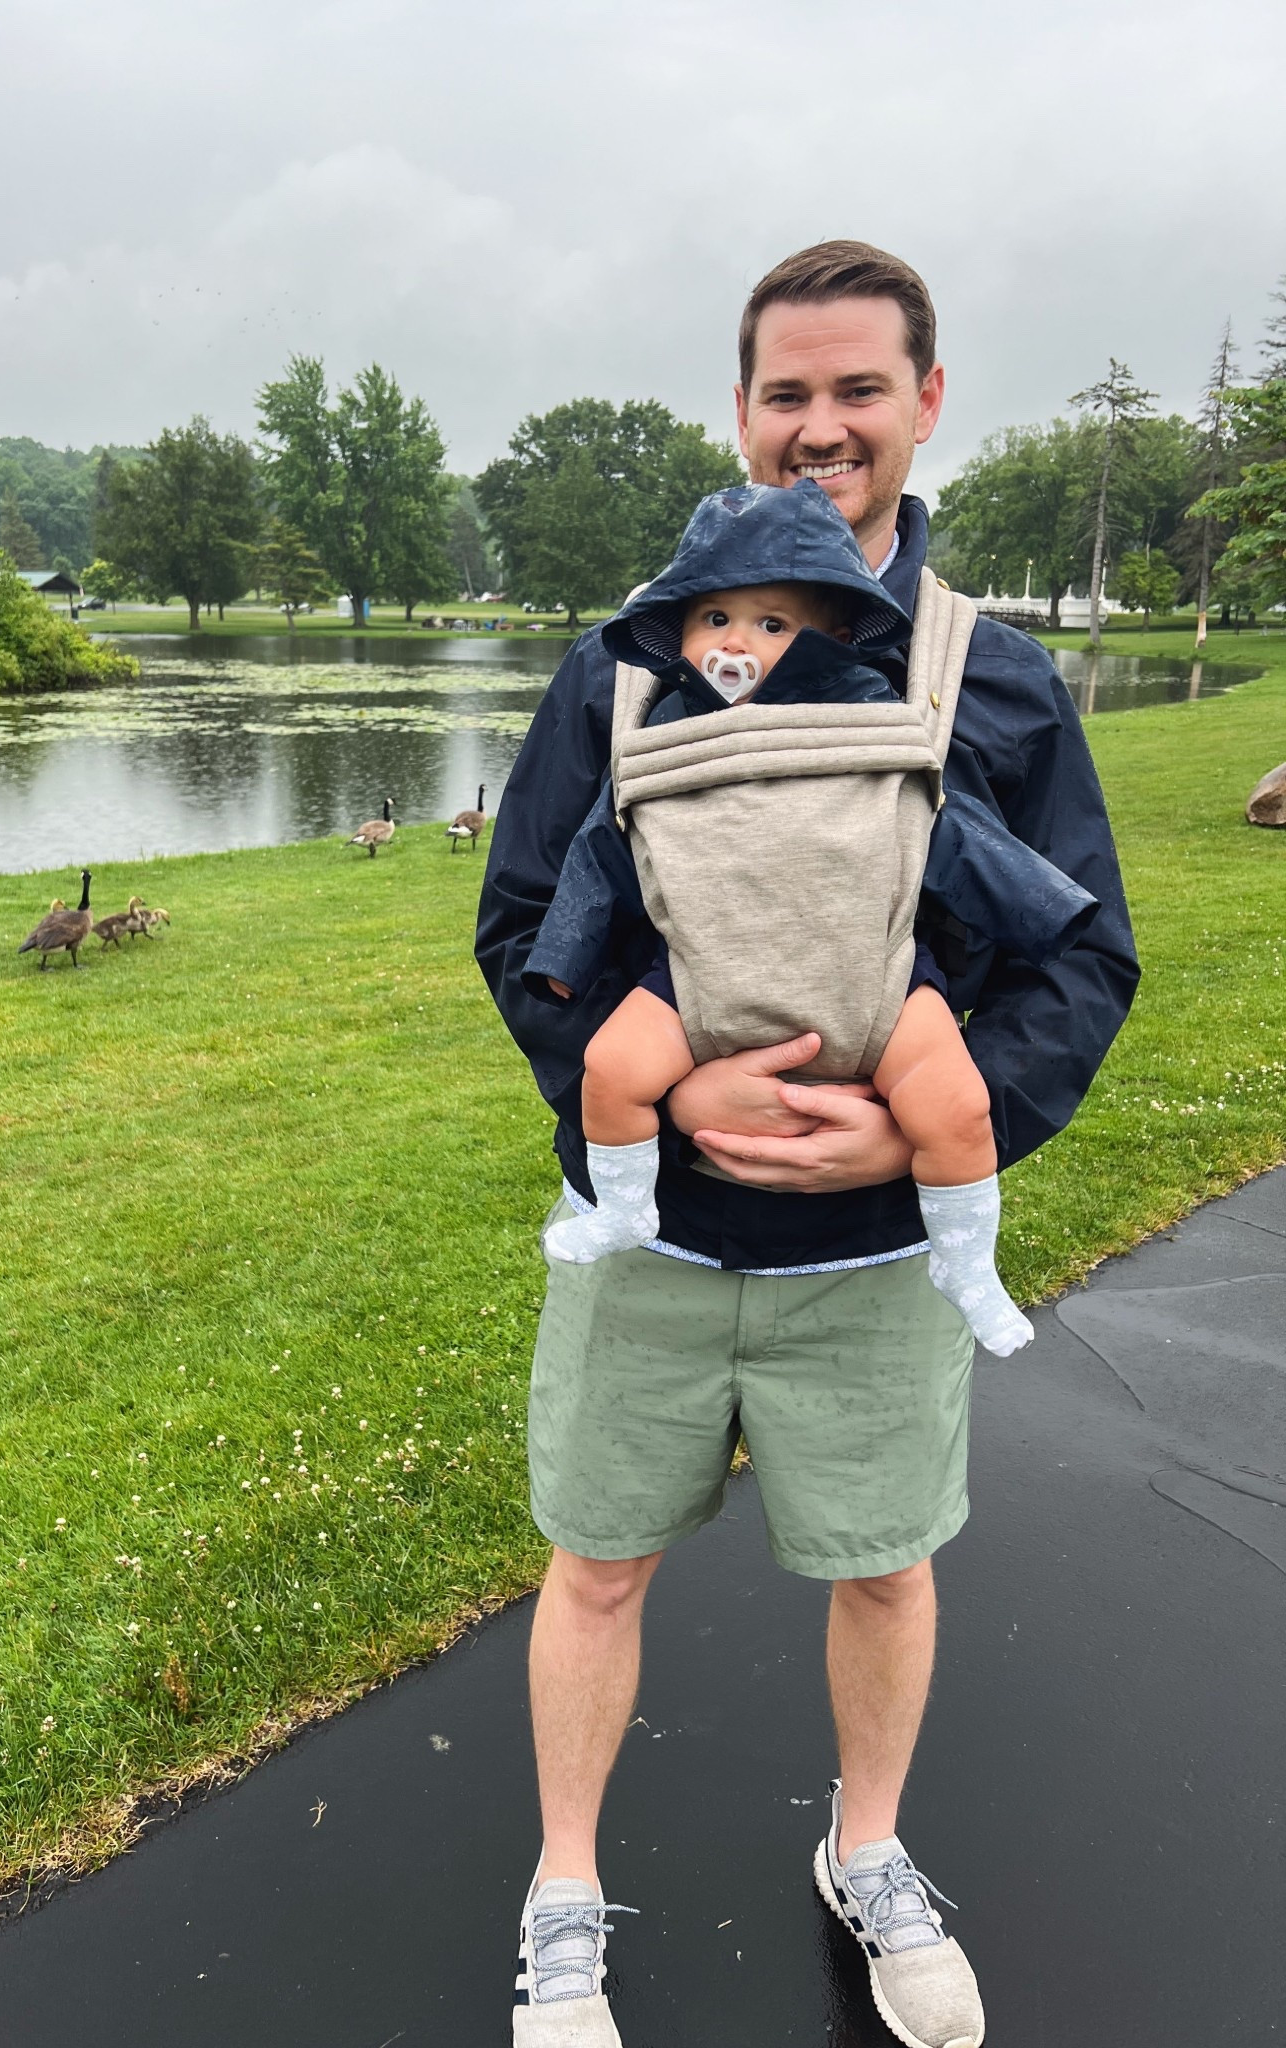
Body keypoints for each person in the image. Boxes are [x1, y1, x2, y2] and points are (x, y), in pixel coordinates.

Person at [476, 240, 1139, 2048]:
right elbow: (523, 924)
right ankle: (561, 1889)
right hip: (654, 1253)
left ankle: (869, 1847)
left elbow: (1079, 952)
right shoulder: (620, 671)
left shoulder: (986, 680)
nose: (821, 425)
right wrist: (663, 1089)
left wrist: (928, 1123)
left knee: (885, 1561)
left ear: (927, 404)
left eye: (860, 389)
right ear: (744, 412)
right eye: (787, 391)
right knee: (597, 1561)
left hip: (872, 1270)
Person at [523, 480, 1099, 1361]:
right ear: (676, 631)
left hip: (880, 983)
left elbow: (958, 835)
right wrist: (561, 960)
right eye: (714, 618)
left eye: (772, 623)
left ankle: (966, 1263)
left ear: (830, 634)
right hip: (697, 984)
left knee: (956, 1107)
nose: (737, 643)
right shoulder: (650, 730)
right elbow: (598, 856)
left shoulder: (883, 720)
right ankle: (623, 1207)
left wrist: (1044, 915)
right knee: (608, 1068)